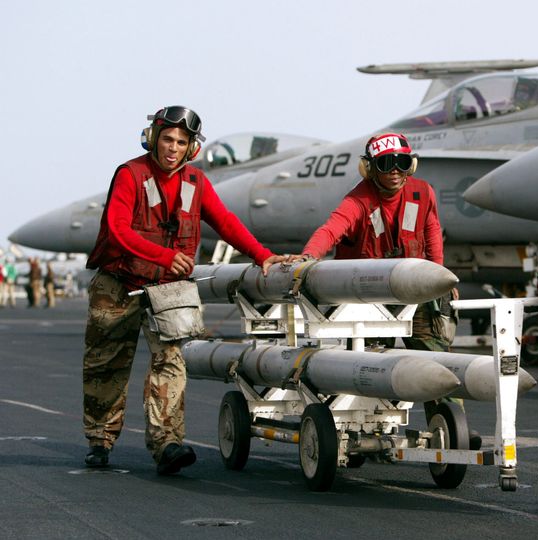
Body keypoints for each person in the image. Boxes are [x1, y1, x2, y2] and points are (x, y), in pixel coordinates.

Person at [82, 106, 291, 474]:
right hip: (118, 284)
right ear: (153, 139)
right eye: (167, 139)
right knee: (107, 366)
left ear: (192, 147)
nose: (173, 148)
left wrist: (263, 256)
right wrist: (164, 255)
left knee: (171, 363)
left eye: (181, 141)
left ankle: (168, 445)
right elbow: (117, 228)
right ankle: (100, 440)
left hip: (166, 288)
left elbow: (224, 220)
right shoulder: (131, 175)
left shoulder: (196, 183)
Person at [300, 133, 477, 448]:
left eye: (401, 162)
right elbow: (332, 229)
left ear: (411, 165)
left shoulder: (423, 193)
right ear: (370, 168)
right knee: (362, 362)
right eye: (385, 164)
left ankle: (450, 424)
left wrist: (442, 276)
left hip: (414, 293)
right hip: (366, 299)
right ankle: (351, 426)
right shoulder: (358, 200)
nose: (394, 170)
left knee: (435, 357)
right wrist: (307, 258)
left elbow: (432, 230)